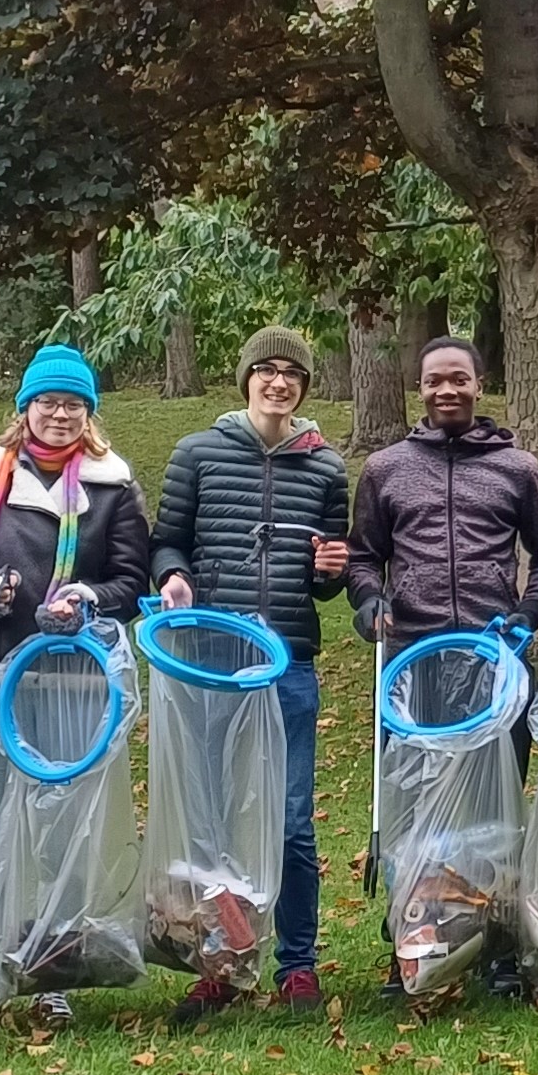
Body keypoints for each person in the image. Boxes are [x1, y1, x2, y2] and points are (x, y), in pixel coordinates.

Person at [0, 344, 154, 1041]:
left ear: (90, 415)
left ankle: (49, 972)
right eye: (48, 401)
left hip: (74, 686)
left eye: (74, 404)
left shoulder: (113, 487)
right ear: (23, 407)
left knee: (57, 841)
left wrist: (87, 598)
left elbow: (132, 581)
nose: (60, 414)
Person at [151, 325, 351, 1021]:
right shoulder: (197, 452)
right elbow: (167, 537)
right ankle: (222, 960)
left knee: (293, 822)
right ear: (246, 379)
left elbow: (328, 581)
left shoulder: (326, 466)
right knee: (212, 822)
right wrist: (174, 575)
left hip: (289, 662)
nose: (278, 381)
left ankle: (298, 965)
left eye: (291, 372)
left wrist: (331, 574)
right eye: (264, 370)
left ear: (303, 385)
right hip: (211, 662)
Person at [345, 336, 538, 656]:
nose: (446, 391)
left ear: (479, 387)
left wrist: (531, 610)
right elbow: (363, 556)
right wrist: (369, 597)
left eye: (459, 380)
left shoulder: (518, 469)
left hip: (494, 645)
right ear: (421, 389)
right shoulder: (384, 469)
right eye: (434, 381)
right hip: (409, 649)